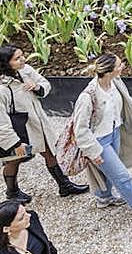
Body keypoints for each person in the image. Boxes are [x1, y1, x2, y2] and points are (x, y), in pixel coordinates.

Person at [68, 53, 132, 223]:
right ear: (109, 71)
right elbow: (80, 129)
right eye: (119, 65)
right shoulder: (87, 96)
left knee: (110, 170)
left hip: (115, 133)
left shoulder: (115, 83)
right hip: (99, 141)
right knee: (122, 176)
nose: (123, 66)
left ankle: (104, 197)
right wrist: (93, 151)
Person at [0, 46, 86, 203]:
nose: (23, 59)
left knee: (49, 152)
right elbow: (1, 121)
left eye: (22, 55)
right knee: (14, 159)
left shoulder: (26, 70)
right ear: (6, 63)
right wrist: (14, 142)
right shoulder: (2, 89)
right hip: (20, 131)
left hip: (37, 124)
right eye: (17, 58)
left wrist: (37, 87)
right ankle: (12, 192)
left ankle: (64, 185)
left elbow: (44, 84)